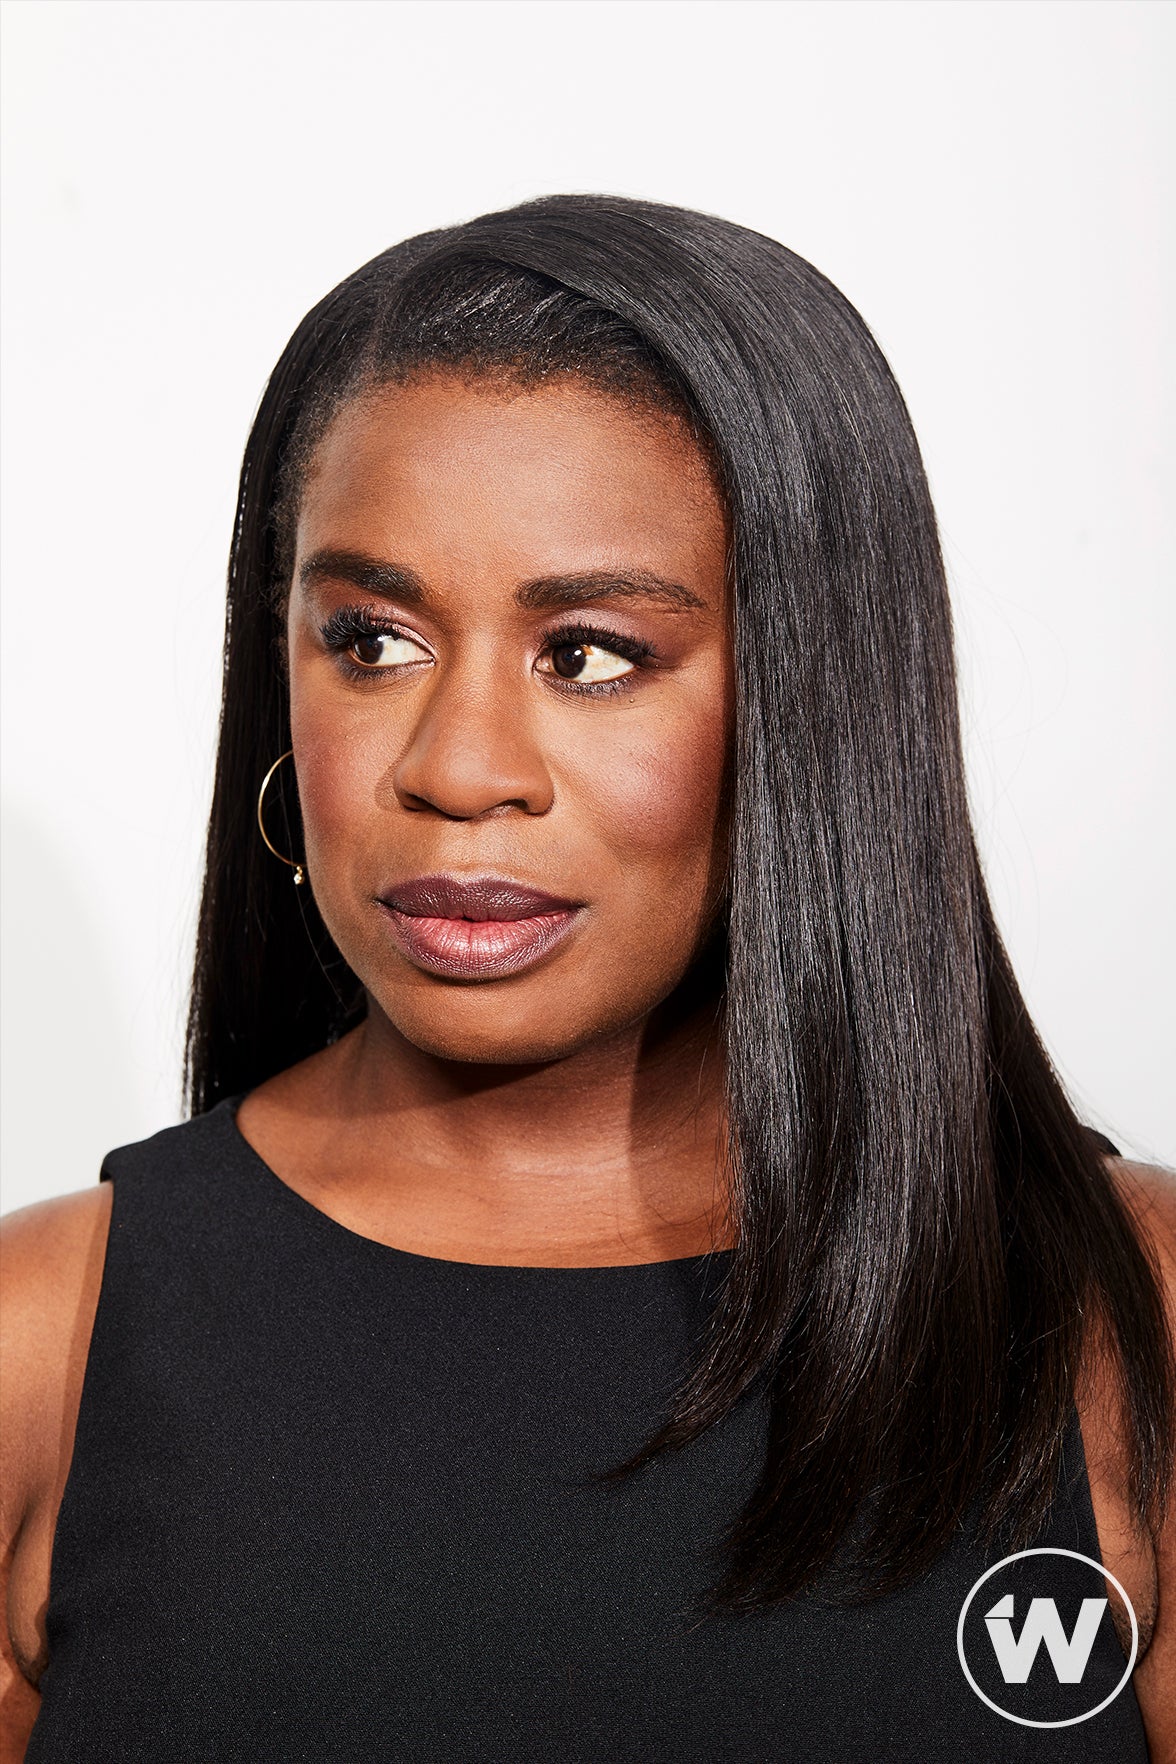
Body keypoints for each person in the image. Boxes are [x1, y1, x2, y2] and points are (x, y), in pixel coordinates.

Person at [0, 195, 1172, 1762]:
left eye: (592, 653)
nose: (457, 766)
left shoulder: (1130, 1322)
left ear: (810, 705)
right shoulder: (43, 1346)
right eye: (371, 639)